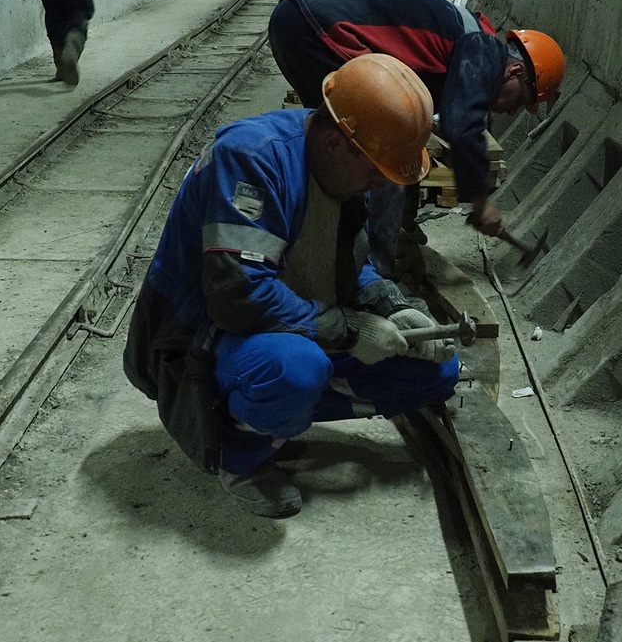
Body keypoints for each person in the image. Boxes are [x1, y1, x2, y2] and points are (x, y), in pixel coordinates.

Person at [123, 54, 464, 518]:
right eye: (374, 172)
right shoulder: (251, 160)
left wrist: (390, 306)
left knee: (436, 371)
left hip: (291, 321)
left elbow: (342, 264)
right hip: (205, 340)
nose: (378, 186)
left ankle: (280, 414)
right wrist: (348, 330)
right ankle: (236, 451)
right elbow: (238, 295)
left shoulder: (344, 169)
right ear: (331, 143)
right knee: (295, 371)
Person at [266, 0, 565, 269]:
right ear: (513, 71)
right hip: (323, 28)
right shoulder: (485, 50)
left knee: (331, 149)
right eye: (522, 99)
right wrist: (481, 202)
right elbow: (461, 124)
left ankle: (313, 254)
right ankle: (373, 273)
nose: (513, 111)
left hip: (298, 20)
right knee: (382, 158)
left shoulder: (469, 42)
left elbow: (436, 125)